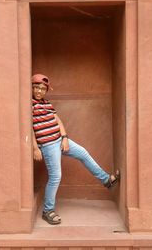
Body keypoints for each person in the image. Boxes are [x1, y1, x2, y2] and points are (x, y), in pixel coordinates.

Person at [32, 73, 120, 225]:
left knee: (83, 153)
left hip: (60, 140)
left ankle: (106, 180)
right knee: (56, 176)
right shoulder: (29, 105)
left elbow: (57, 120)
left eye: (42, 88)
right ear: (31, 89)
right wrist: (35, 148)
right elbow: (28, 128)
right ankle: (48, 211)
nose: (39, 91)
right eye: (36, 88)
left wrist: (64, 138)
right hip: (47, 145)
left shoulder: (47, 103)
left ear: (46, 90)